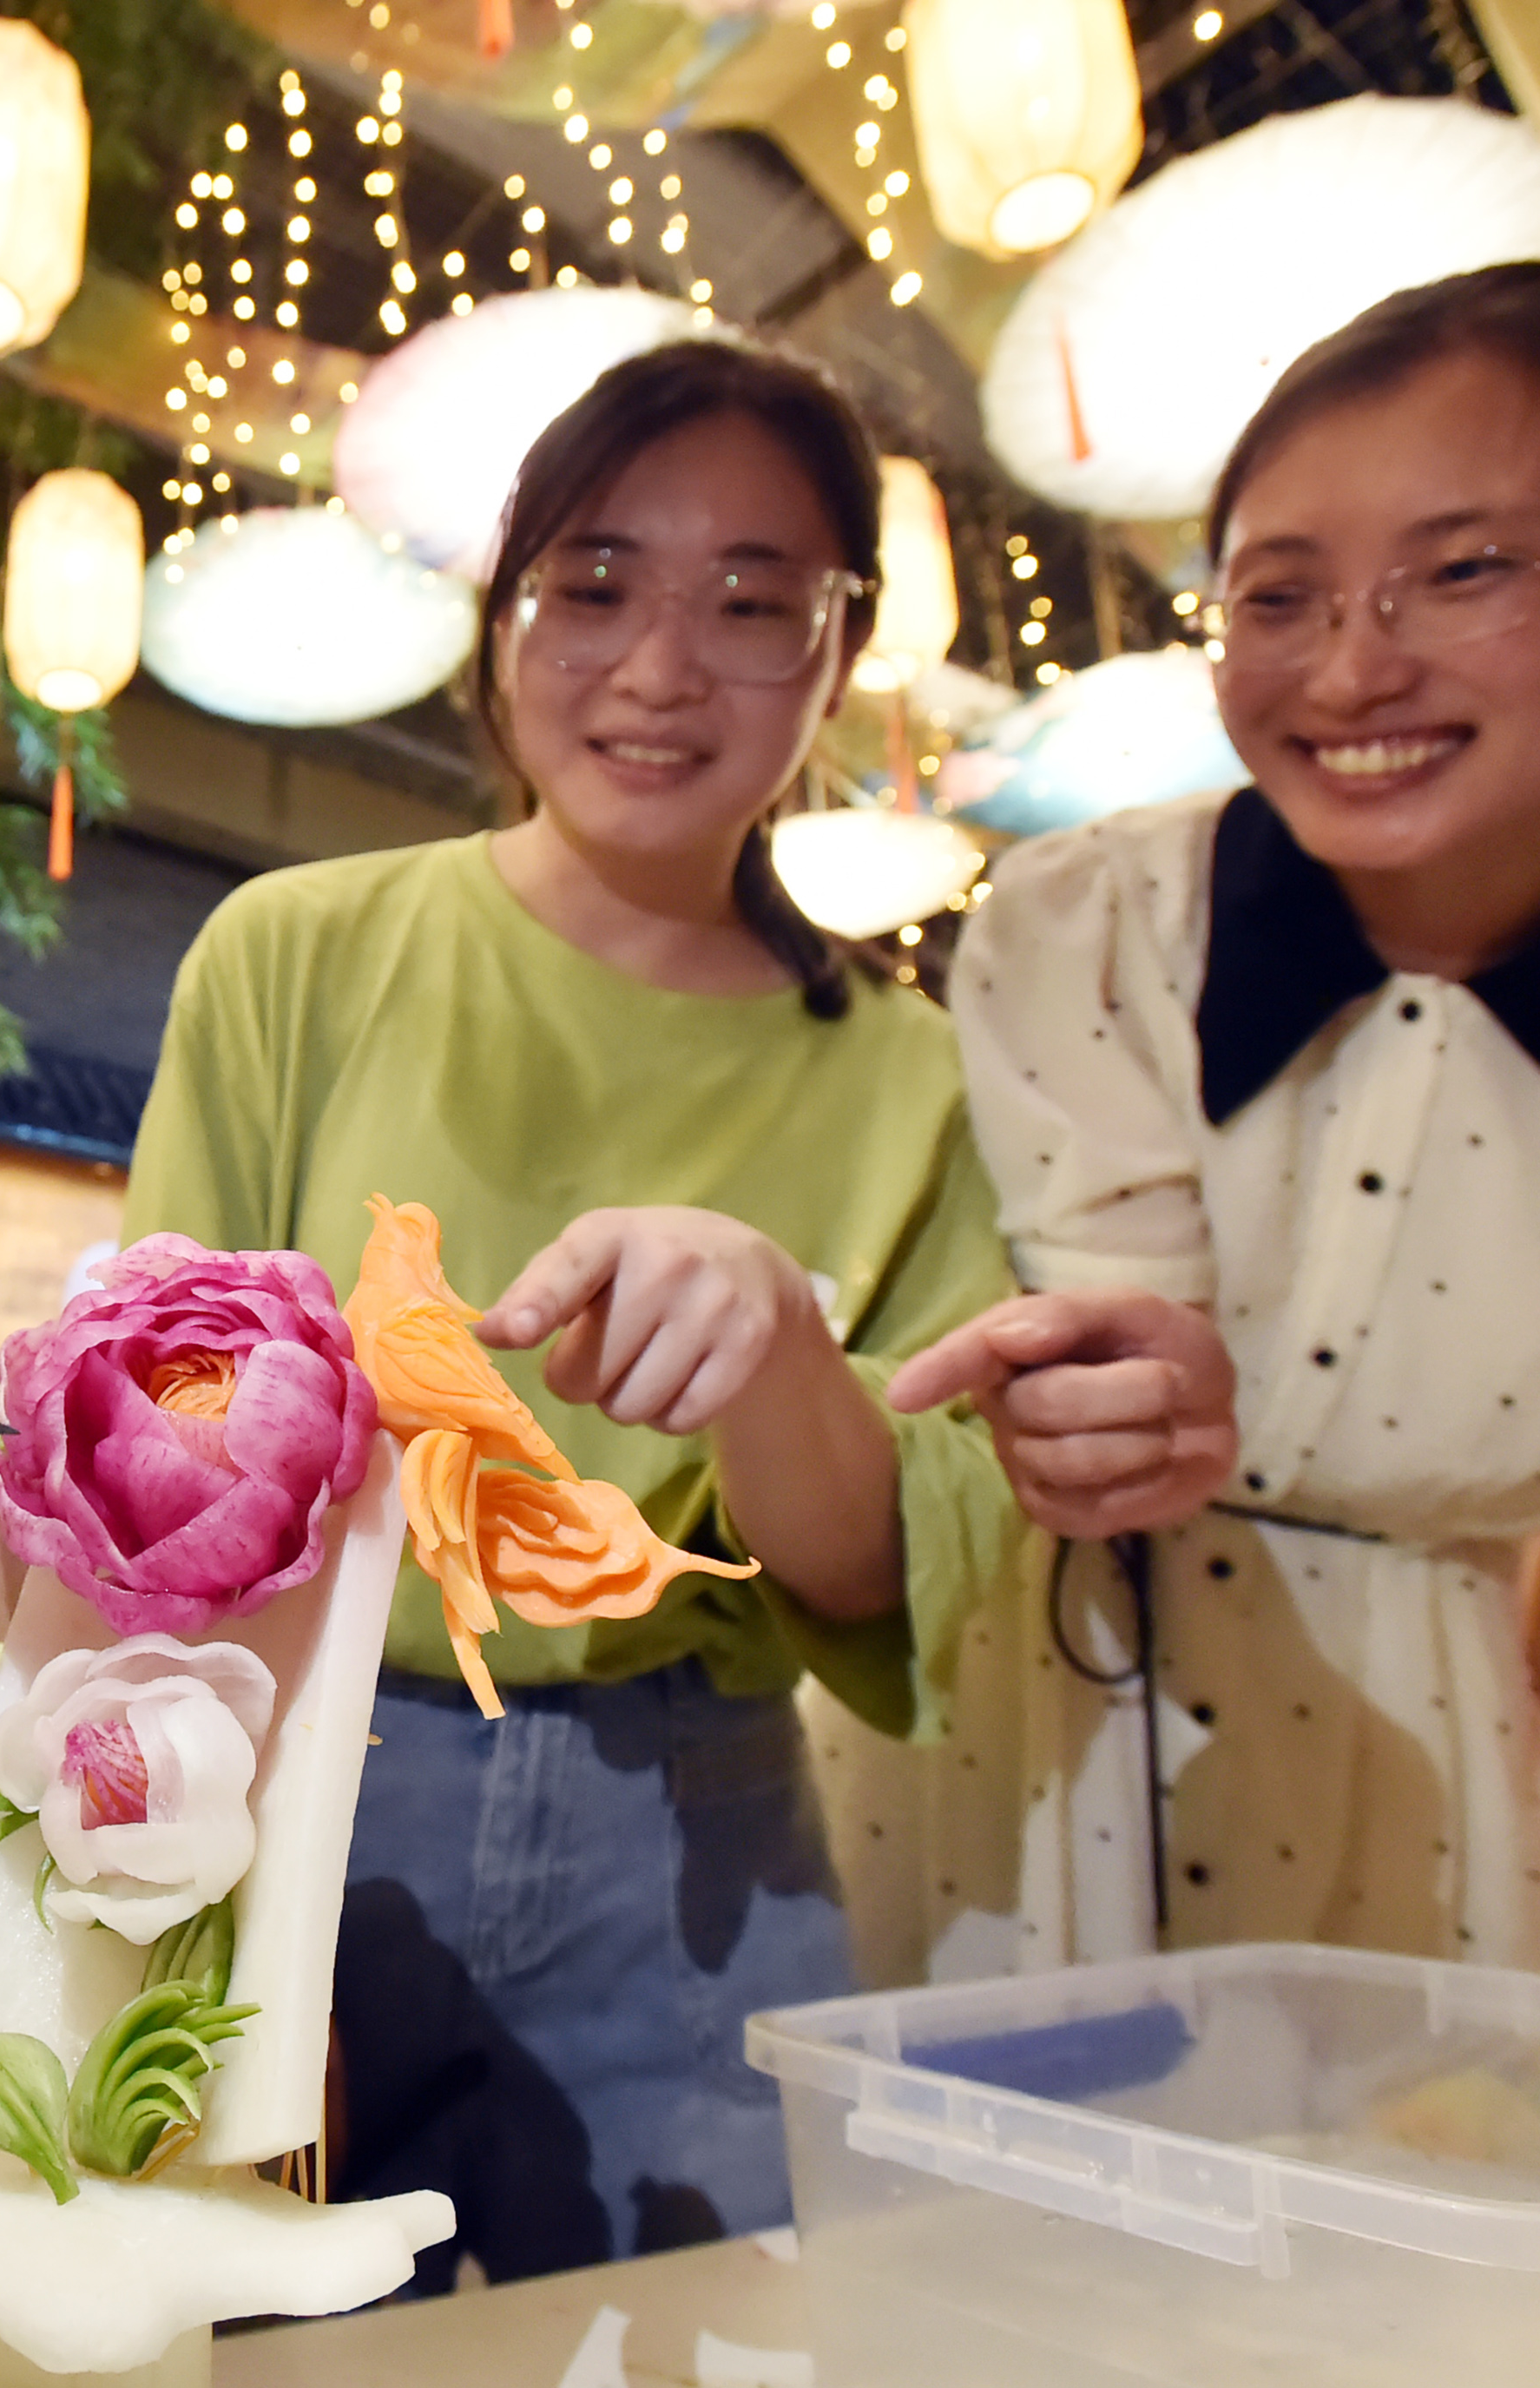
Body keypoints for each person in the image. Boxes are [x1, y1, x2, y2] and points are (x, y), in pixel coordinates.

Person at [811, 260, 1540, 1988]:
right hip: (1021, 1716)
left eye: (1468, 568)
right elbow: (1121, 1376)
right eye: (1280, 594)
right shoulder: (1094, 923)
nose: (1353, 669)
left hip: (1433, 1756)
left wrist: (1515, 1767)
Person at [122, 341, 1027, 2282]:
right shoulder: (301, 951)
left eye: (753, 601)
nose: (662, 664)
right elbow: (150, 1459)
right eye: (597, 583)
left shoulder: (913, 1077)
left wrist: (778, 1344)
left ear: (841, 643)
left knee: (700, 2331)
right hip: (306, 1760)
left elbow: (880, 1576)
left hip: (694, 1822)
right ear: (502, 615)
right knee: (248, 2327)